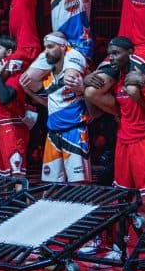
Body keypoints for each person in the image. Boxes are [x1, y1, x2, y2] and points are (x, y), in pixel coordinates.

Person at [85, 36, 145, 208]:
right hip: (123, 140)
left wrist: (142, 89)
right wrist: (85, 85)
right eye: (109, 54)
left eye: (116, 53)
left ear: (130, 53)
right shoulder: (116, 82)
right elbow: (94, 113)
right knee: (123, 192)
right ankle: (123, 234)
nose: (111, 57)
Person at [20, 31, 91, 184]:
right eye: (45, 47)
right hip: (53, 132)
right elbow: (48, 103)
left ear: (63, 46)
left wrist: (82, 88)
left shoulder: (76, 68)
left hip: (74, 130)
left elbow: (90, 95)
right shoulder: (47, 77)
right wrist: (28, 92)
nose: (47, 51)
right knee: (51, 183)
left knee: (78, 183)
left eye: (51, 47)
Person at [0, 35, 31, 184]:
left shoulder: (16, 74)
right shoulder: (2, 75)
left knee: (17, 176)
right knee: (5, 177)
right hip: (3, 126)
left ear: (9, 52)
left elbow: (3, 98)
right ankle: (9, 206)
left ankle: (21, 206)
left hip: (14, 127)